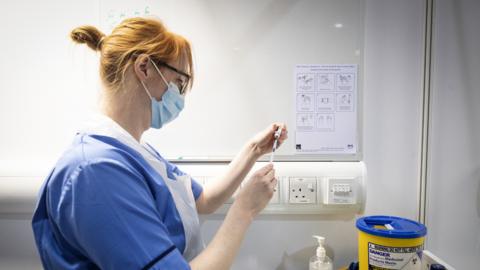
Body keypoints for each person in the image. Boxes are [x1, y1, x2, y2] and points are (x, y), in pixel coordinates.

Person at [31, 17, 288, 270]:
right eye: (179, 82)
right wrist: (244, 211)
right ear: (144, 68)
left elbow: (203, 201)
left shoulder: (132, 150)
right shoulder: (96, 171)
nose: (181, 95)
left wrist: (254, 150)